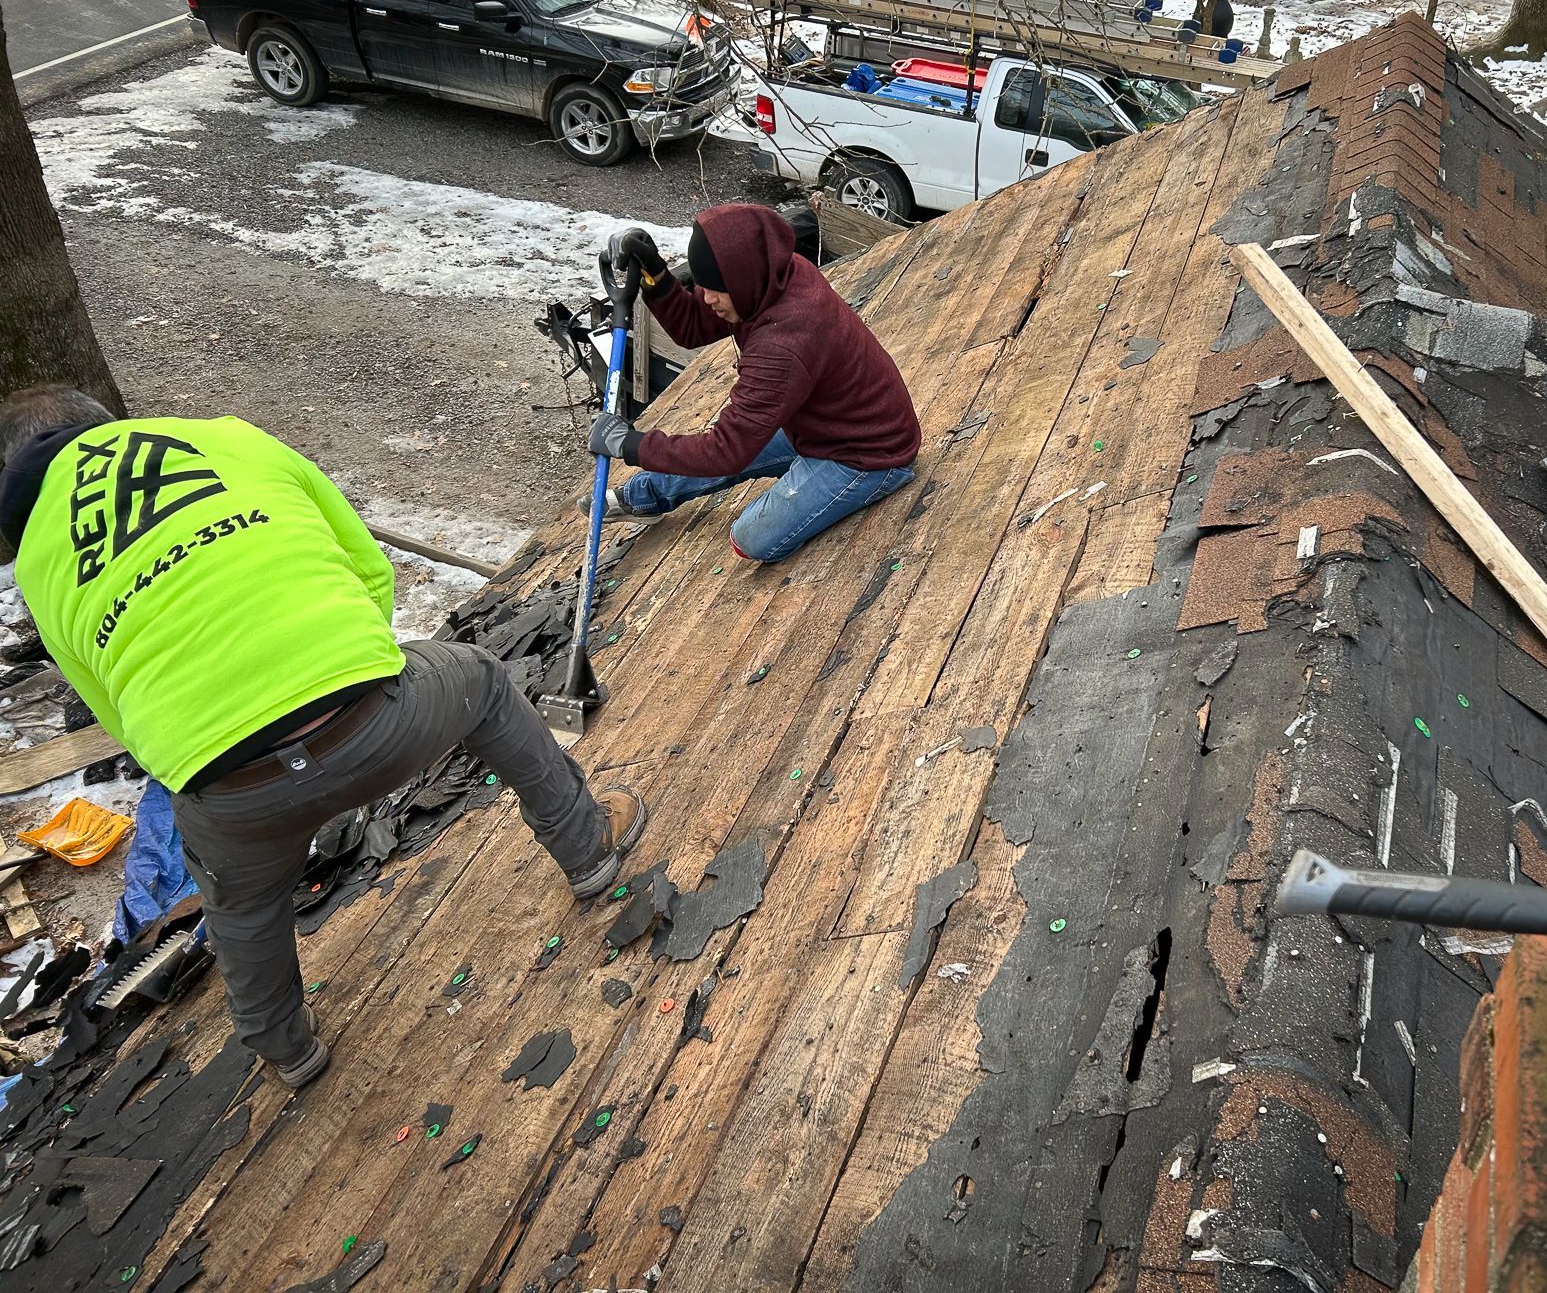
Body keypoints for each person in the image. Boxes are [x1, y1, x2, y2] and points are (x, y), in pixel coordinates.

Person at [0, 386, 643, 1089]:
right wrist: (349, 677)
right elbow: (368, 567)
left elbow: (116, 714)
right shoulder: (229, 438)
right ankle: (588, 852)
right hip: (375, 717)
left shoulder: (36, 560)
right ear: (108, 426)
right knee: (483, 681)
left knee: (240, 905)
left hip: (229, 792)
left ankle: (286, 1051)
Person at [585, 204, 921, 563]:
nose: (707, 297)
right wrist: (655, 274)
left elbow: (727, 451)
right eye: (703, 286)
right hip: (816, 426)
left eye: (715, 290)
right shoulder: (768, 279)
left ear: (742, 278)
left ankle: (870, 480)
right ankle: (642, 496)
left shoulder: (784, 341)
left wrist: (630, 444)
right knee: (733, 445)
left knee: (751, 538)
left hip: (866, 453)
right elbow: (691, 328)